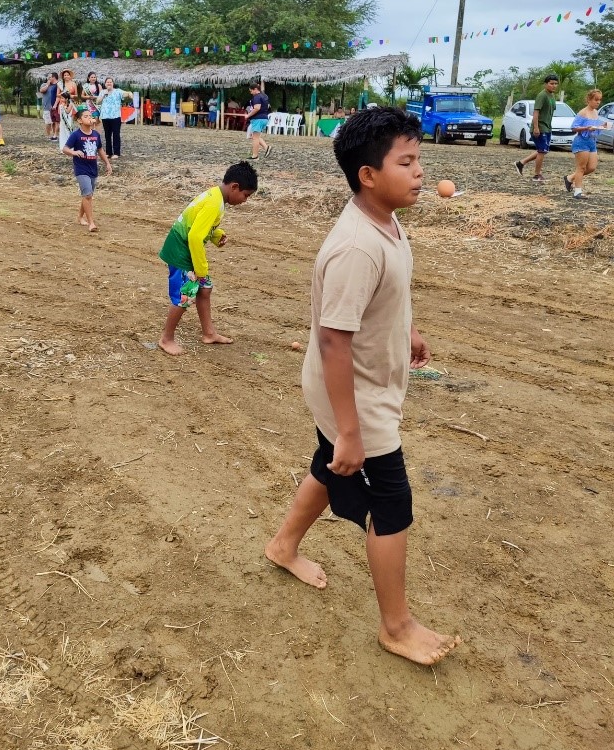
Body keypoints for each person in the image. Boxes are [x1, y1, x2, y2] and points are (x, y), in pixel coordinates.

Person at [265, 108, 462, 666]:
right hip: (353, 395)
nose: (420, 172)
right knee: (391, 505)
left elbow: (383, 296)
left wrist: (407, 330)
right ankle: (396, 626)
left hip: (360, 387)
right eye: (407, 162)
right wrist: (351, 431)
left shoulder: (387, 223)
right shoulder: (356, 246)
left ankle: (282, 545)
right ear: (368, 175)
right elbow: (334, 341)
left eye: (419, 159)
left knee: (330, 467)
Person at [158, 161, 258, 356]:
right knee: (184, 296)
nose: (245, 200)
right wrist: (201, 270)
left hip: (187, 249)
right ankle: (166, 338)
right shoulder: (214, 203)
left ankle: (209, 333)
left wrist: (215, 235)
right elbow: (195, 237)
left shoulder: (216, 196)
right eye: (246, 195)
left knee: (205, 289)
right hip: (181, 251)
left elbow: (199, 225)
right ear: (234, 187)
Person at [62, 106, 112, 232]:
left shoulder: (96, 135)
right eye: (86, 116)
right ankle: (91, 223)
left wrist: (107, 163)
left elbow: (100, 150)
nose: (89, 118)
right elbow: (65, 149)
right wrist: (74, 152)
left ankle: (80, 217)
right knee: (88, 195)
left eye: (90, 116)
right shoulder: (76, 135)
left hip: (93, 169)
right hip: (81, 169)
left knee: (87, 195)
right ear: (79, 120)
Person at [563, 88, 610, 200]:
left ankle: (570, 178)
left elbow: (595, 127)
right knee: (581, 167)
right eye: (596, 100)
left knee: (592, 167)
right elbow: (574, 128)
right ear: (589, 99)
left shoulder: (595, 112)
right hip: (582, 141)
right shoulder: (583, 112)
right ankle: (577, 192)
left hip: (592, 141)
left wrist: (603, 126)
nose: (598, 102)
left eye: (599, 100)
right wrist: (586, 128)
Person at [515, 73, 558, 181]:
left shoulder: (552, 96)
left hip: (547, 127)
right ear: (546, 84)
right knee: (542, 151)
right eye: (551, 83)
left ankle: (521, 163)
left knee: (543, 150)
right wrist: (536, 127)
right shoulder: (542, 95)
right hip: (540, 127)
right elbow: (536, 112)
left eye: (555, 84)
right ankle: (537, 175)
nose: (554, 86)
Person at [96, 78, 125, 159]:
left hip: (116, 116)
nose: (109, 83)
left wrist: (129, 94)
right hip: (105, 116)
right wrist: (103, 95)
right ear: (105, 84)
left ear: (113, 83)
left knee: (116, 134)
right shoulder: (103, 92)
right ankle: (108, 152)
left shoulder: (118, 91)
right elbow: (97, 102)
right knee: (107, 135)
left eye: (110, 82)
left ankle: (116, 153)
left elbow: (125, 95)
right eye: (107, 82)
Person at [244, 81, 272, 160]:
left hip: (258, 119)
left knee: (255, 138)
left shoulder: (257, 97)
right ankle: (266, 148)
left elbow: (257, 108)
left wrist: (248, 115)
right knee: (255, 136)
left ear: (255, 89)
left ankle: (255, 155)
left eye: (251, 91)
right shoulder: (264, 96)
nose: (251, 93)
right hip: (264, 118)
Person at [40, 72, 59, 141]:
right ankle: (48, 135)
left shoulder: (58, 85)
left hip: (55, 107)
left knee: (55, 122)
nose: (48, 78)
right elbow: (41, 90)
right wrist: (47, 84)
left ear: (54, 77)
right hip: (46, 107)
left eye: (50, 77)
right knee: (48, 122)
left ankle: (54, 135)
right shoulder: (44, 84)